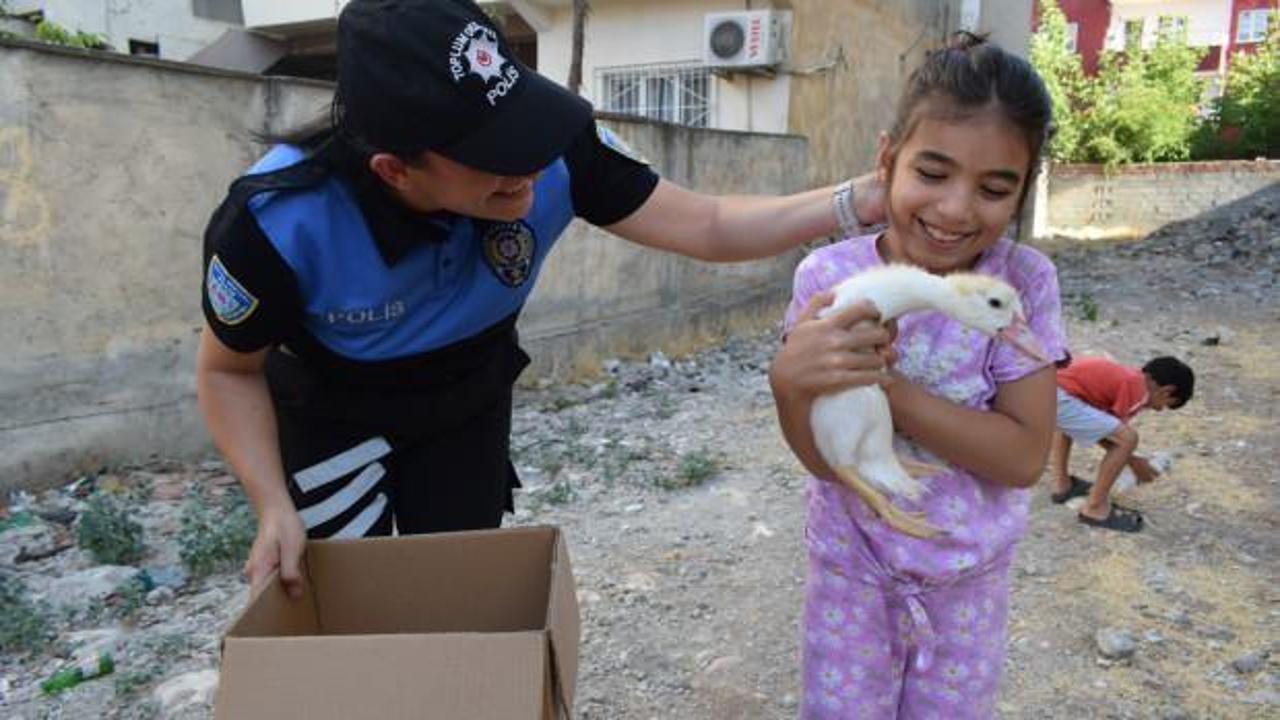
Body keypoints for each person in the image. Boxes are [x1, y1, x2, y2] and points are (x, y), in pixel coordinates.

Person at [196, 0, 888, 599]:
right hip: (335, 414)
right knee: (347, 603)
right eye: (493, 154)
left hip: (465, 400)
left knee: (457, 592)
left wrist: (857, 200)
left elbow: (707, 224)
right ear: (395, 168)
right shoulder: (278, 223)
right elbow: (228, 371)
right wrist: (271, 505)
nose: (528, 165)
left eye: (521, 129)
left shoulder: (554, 152)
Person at [767, 34, 1066, 718]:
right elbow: (823, 458)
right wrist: (790, 385)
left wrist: (889, 389)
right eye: (932, 173)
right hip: (852, 575)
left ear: (1023, 191)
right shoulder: (830, 279)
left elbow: (1023, 457)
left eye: (995, 188)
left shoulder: (1021, 283)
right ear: (887, 160)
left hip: (967, 586)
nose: (957, 210)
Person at [1049, 354, 1195, 532]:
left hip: (1045, 387)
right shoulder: (1139, 392)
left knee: (1074, 420)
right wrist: (1135, 463)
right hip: (1054, 396)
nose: (1158, 409)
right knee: (1128, 439)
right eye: (1165, 404)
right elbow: (1112, 438)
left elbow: (1097, 429)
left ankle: (1062, 485)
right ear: (1166, 391)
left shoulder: (1129, 378)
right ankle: (1094, 509)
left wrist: (1131, 459)